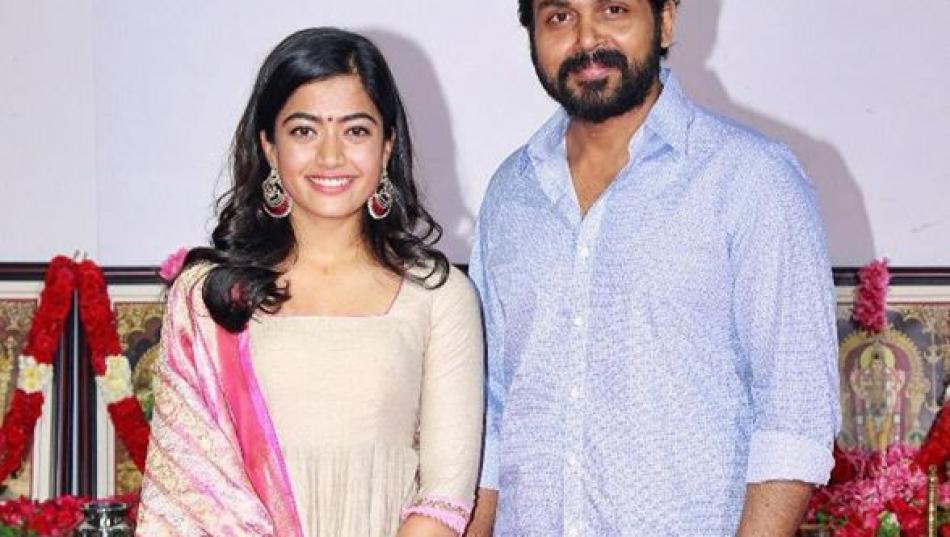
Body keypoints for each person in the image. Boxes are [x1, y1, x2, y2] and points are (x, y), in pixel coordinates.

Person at [465, 1, 840, 535]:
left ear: (665, 21)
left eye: (614, 10)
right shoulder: (510, 194)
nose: (586, 39)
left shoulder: (752, 180)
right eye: (559, 17)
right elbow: (490, 413)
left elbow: (795, 413)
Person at [136, 27, 484, 537]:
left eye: (356, 131)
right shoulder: (211, 297)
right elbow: (185, 504)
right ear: (269, 147)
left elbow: (444, 500)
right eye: (304, 131)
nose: (330, 156)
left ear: (387, 145)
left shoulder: (438, 295)